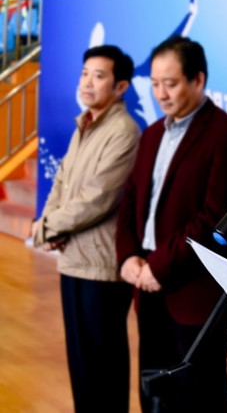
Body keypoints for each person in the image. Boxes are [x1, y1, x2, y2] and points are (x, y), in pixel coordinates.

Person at [116, 35, 227, 413]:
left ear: (198, 80)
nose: (161, 94)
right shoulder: (152, 134)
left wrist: (158, 266)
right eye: (155, 83)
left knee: (198, 395)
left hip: (194, 291)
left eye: (171, 83)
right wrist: (128, 256)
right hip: (147, 285)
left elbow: (215, 221)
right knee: (153, 391)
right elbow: (130, 201)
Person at [32, 44, 141, 413]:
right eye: (84, 74)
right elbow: (61, 183)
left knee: (103, 366)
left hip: (103, 268)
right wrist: (49, 226)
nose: (87, 82)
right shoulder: (86, 125)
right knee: (82, 365)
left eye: (99, 76)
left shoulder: (124, 131)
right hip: (74, 260)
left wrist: (45, 228)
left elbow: (97, 199)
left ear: (121, 86)